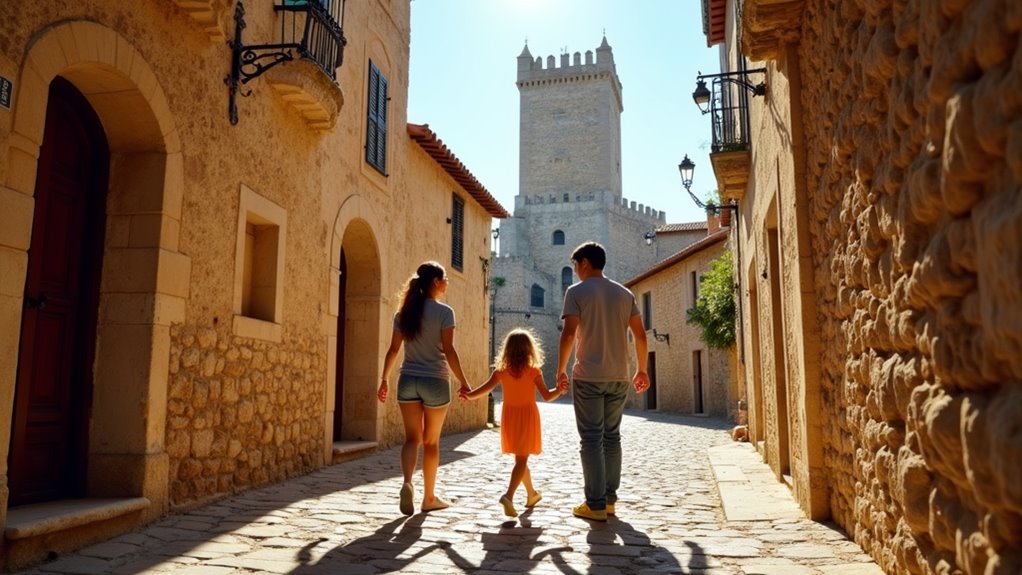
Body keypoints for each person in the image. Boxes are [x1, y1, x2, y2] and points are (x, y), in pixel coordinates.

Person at [556, 241, 650, 522]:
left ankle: (594, 503)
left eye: (575, 265)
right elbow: (640, 335)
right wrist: (641, 370)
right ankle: (609, 502)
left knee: (591, 440)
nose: (575, 271)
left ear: (584, 263)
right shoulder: (625, 294)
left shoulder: (575, 292)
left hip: (588, 376)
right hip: (620, 376)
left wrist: (561, 369)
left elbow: (569, 334)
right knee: (612, 437)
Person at [379, 261, 471, 514]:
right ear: (435, 282)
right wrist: (464, 382)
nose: (447, 284)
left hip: (407, 379)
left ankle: (408, 482)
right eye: (445, 279)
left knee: (411, 439)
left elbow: (394, 350)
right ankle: (429, 497)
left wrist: (384, 379)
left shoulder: (403, 314)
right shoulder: (445, 312)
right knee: (431, 443)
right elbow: (449, 351)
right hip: (435, 381)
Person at [459, 328, 563, 517]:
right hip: (527, 417)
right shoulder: (533, 372)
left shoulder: (501, 372)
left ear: (507, 350)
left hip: (510, 418)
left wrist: (469, 395)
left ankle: (531, 494)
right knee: (522, 460)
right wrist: (560, 390)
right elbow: (547, 396)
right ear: (530, 350)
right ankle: (508, 496)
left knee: (520, 460)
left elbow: (484, 389)